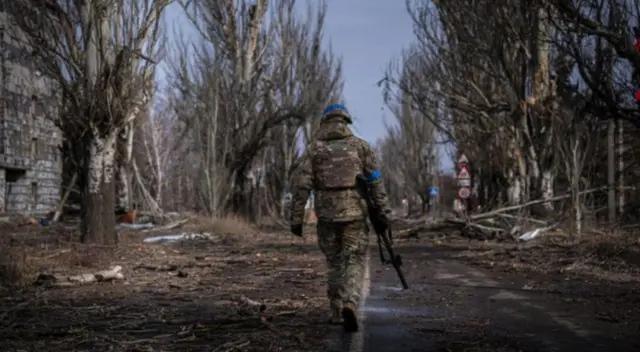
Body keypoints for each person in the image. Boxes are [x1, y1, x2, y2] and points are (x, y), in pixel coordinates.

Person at [289, 104, 391, 332]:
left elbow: (302, 186)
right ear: (346, 121)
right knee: (354, 259)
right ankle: (351, 302)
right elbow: (375, 181)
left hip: (326, 215)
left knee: (334, 262)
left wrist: (296, 219)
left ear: (325, 122)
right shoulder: (361, 147)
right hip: (355, 213)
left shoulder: (314, 150)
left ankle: (336, 311)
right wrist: (384, 211)